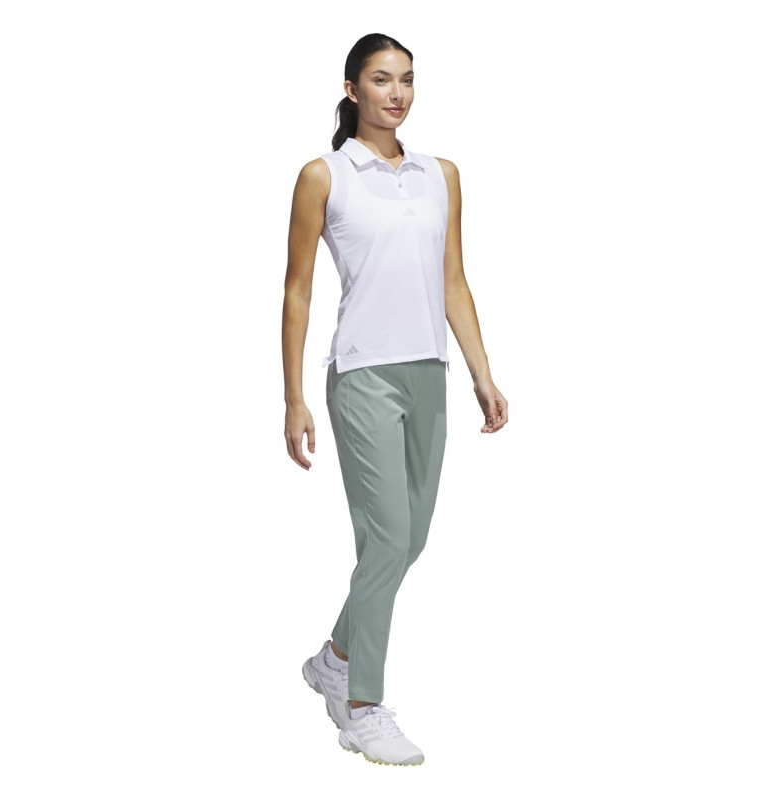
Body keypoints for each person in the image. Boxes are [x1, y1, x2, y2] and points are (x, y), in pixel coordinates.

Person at [283, 33, 508, 766]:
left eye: (407, 79)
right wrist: (293, 398)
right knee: (385, 539)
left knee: (408, 541)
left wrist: (481, 373)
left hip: (427, 374)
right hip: (363, 376)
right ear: (352, 90)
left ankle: (335, 658)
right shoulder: (325, 176)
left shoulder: (441, 174)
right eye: (381, 80)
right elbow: (296, 290)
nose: (397, 93)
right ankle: (360, 706)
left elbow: (453, 281)